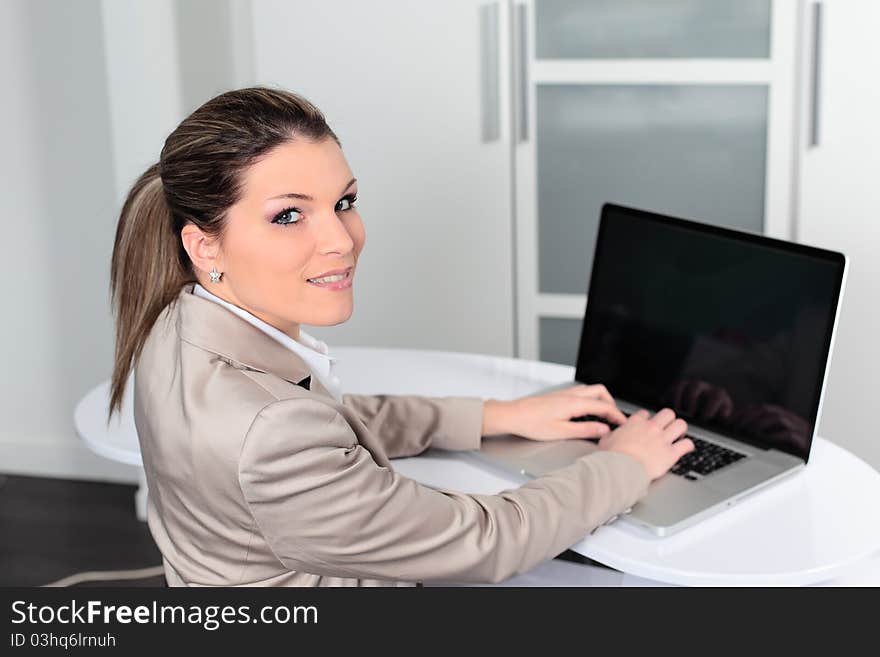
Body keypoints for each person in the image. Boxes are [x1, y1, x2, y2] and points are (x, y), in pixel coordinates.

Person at [108, 86, 693, 587]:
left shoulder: (173, 326)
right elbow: (488, 540)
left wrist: (495, 415)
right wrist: (624, 466)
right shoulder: (270, 436)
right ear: (203, 244)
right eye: (289, 215)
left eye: (345, 202)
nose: (340, 239)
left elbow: (322, 419)